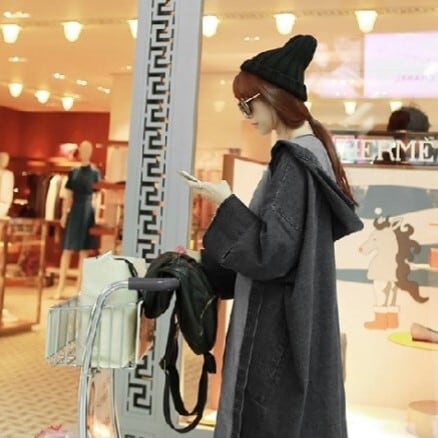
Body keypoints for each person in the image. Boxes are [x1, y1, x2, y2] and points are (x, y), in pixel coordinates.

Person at [180, 35, 363, 438]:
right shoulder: (310, 155)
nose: (246, 114)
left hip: (275, 323)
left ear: (273, 97)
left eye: (248, 103)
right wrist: (204, 259)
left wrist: (225, 201)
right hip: (290, 316)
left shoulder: (294, 161)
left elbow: (272, 252)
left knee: (264, 420)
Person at [52, 140, 101, 299]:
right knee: (67, 250)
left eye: (88, 149)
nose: (86, 152)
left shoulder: (95, 172)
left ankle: (78, 289)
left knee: (84, 252)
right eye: (83, 149)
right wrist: (64, 214)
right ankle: (60, 287)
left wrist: (97, 215)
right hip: (75, 210)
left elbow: (97, 195)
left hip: (88, 211)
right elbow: (68, 195)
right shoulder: (73, 172)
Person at [0, 152, 14, 217]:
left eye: (7, 160)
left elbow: (10, 189)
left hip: (4, 203)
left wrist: (8, 203)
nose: (5, 162)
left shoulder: (9, 175)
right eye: (3, 159)